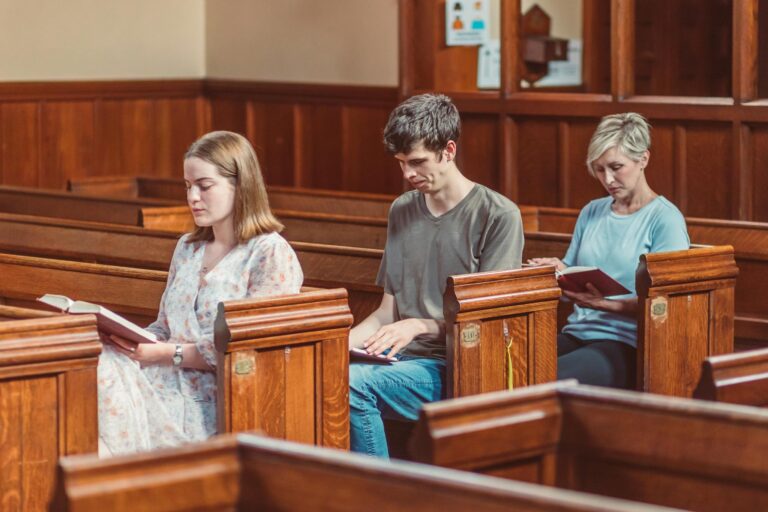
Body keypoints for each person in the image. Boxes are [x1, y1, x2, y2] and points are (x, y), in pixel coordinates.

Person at [97, 131, 303, 456]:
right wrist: (130, 340)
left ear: (240, 184)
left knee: (100, 423)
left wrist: (167, 354)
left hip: (222, 399)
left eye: (204, 186)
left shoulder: (268, 252)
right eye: (187, 186)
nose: (192, 197)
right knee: (98, 368)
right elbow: (165, 326)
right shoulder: (188, 248)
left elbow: (254, 350)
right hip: (164, 380)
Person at [348, 93, 524, 458]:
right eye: (400, 163)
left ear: (449, 150)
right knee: (320, 372)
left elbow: (487, 326)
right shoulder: (402, 210)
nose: (407, 174)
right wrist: (337, 346)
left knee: (351, 386)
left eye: (416, 162)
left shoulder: (498, 215)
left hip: (455, 363)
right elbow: (386, 312)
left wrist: (419, 326)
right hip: (397, 361)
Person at [528, 113, 689, 389]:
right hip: (578, 332)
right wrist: (557, 270)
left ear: (643, 160)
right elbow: (573, 272)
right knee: (512, 366)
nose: (608, 179)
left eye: (616, 167)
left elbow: (668, 305)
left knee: (544, 380)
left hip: (626, 343)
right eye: (600, 169)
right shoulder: (592, 211)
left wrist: (606, 304)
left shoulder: (665, 219)